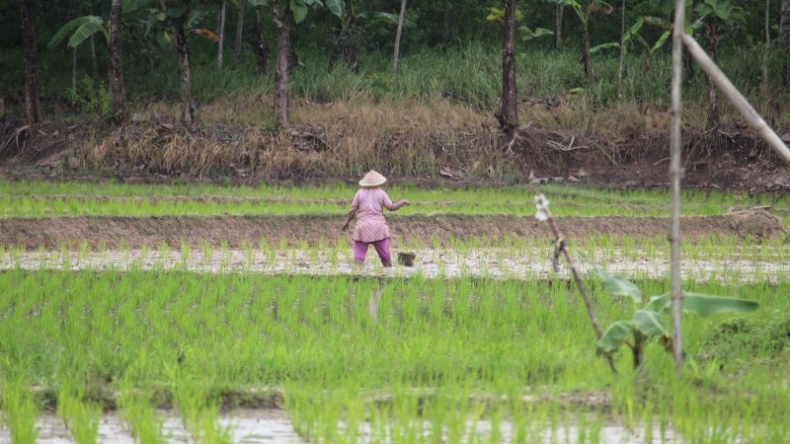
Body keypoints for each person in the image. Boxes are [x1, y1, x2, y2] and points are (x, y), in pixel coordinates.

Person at [342, 170, 410, 267]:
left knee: (358, 260)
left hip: (363, 228)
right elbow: (391, 207)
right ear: (378, 182)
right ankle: (388, 276)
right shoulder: (381, 193)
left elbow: (352, 210)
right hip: (379, 228)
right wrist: (402, 202)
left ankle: (357, 278)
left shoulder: (359, 193)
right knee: (386, 260)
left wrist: (347, 222)